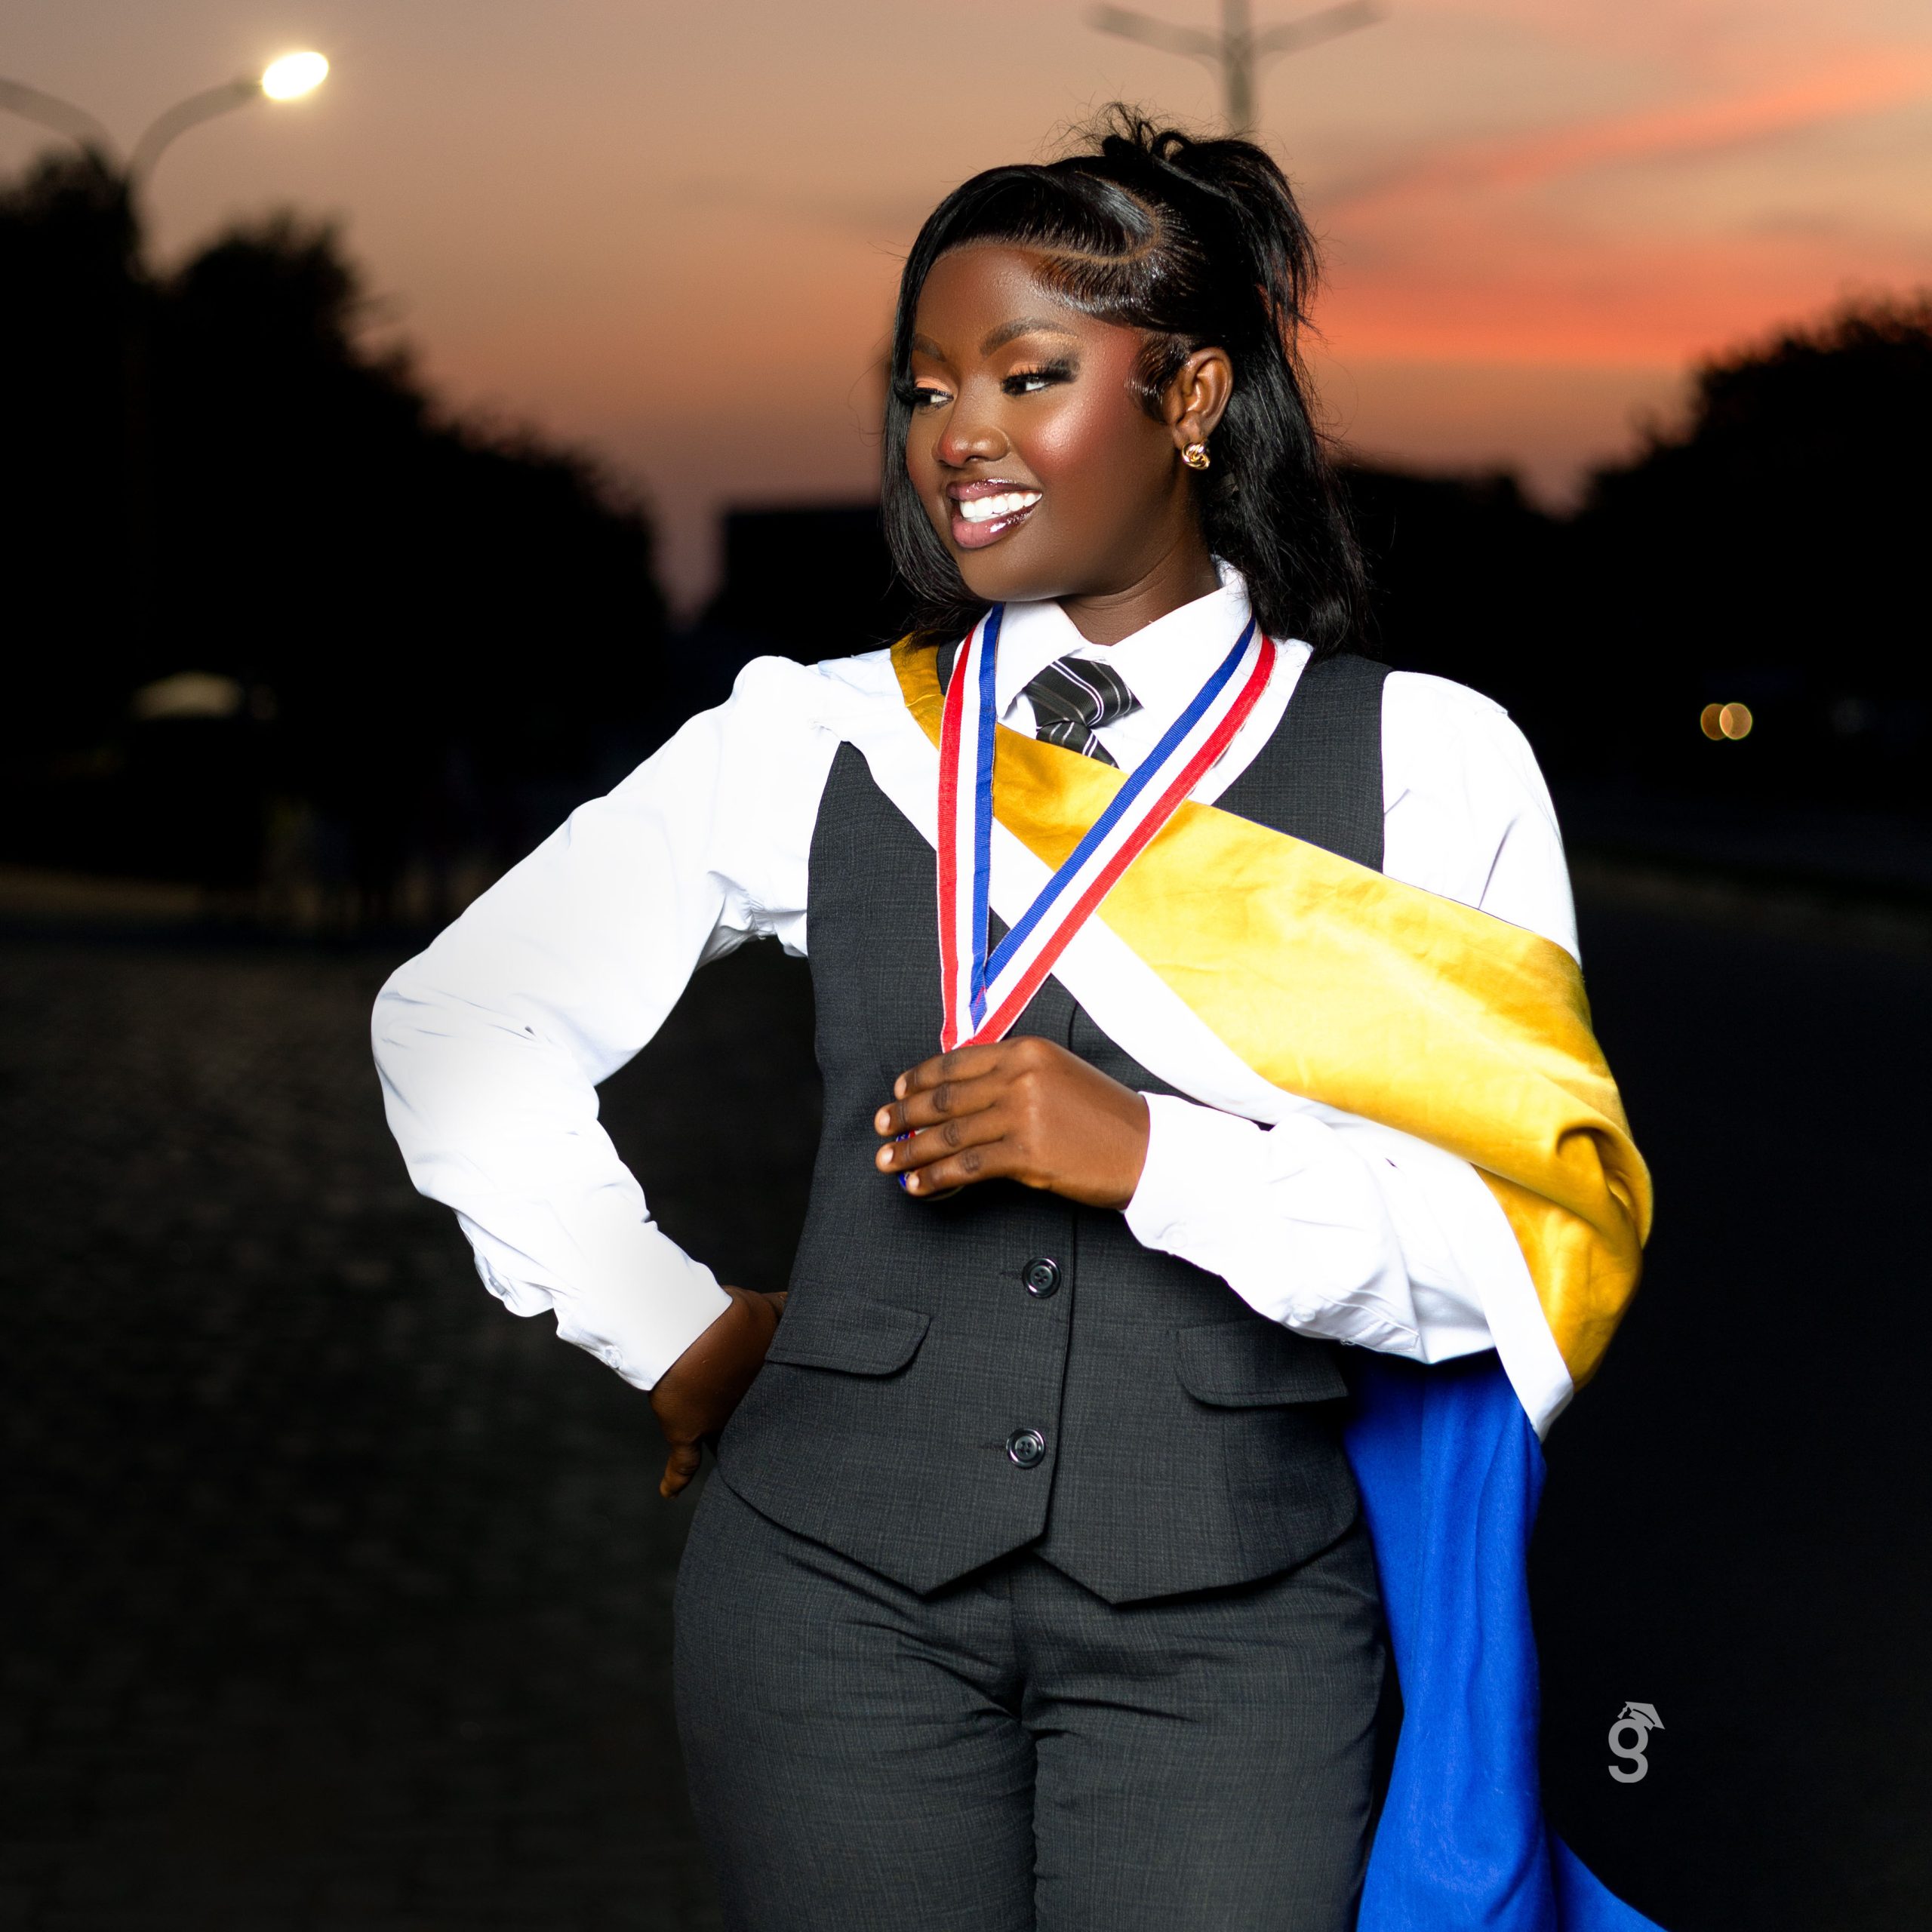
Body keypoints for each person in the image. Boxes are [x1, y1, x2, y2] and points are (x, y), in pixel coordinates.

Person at [374, 111, 1652, 1932]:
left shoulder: (1426, 758)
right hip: (827, 1607)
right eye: (924, 389)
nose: (954, 434)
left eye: (1025, 375)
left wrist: (1150, 1158)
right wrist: (666, 1321)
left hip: (1236, 1630)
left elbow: (1520, 1250)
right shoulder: (823, 734)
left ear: (1189, 396)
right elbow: (458, 1019)